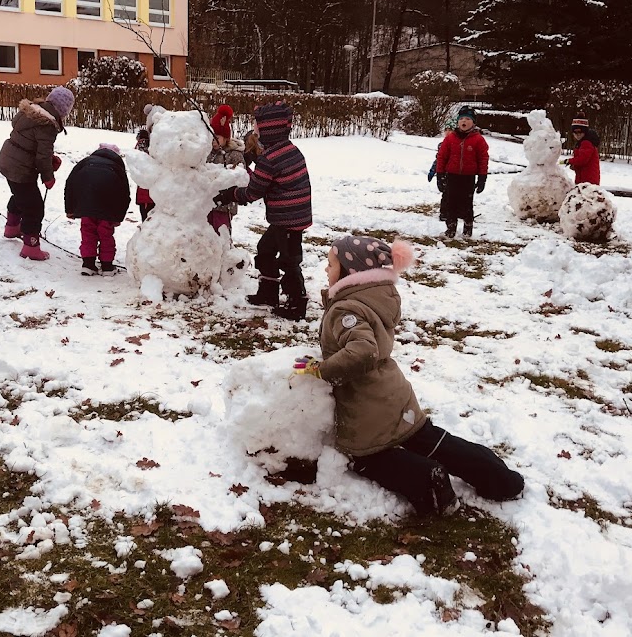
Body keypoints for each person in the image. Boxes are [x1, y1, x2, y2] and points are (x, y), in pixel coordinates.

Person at [292, 234, 524, 515]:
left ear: (352, 271)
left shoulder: (346, 308)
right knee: (427, 439)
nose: (326, 270)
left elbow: (363, 351)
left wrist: (321, 370)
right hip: (394, 391)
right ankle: (497, 476)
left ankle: (426, 482)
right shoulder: (374, 297)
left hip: (365, 403)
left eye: (331, 264)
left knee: (368, 457)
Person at [215, 101, 311, 320]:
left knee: (289, 260)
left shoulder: (270, 159)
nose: (255, 131)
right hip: (291, 216)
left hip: (288, 218)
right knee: (266, 250)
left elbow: (252, 192)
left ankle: (297, 303)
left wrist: (229, 194)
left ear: (269, 129)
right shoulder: (289, 150)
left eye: (258, 126)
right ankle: (268, 293)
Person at [0, 85, 74, 260]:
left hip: (8, 159)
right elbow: (42, 156)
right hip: (20, 166)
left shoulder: (32, 112)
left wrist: (48, 159)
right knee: (34, 207)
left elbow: (33, 145)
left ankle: (12, 227)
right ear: (63, 109)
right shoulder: (47, 124)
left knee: (20, 195)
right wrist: (48, 176)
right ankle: (31, 246)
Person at [64, 143, 131, 276]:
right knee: (106, 234)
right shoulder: (117, 167)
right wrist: (119, 216)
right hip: (108, 206)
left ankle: (88, 264)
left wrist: (70, 209)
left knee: (88, 232)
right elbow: (124, 194)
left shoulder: (85, 163)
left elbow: (70, 184)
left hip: (85, 204)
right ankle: (107, 266)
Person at [435, 105, 489, 238]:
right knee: (451, 202)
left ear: (473, 122)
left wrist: (482, 178)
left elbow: (483, 159)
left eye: (468, 119)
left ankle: (468, 227)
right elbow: (442, 157)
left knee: (467, 203)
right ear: (458, 121)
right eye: (462, 119)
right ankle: (451, 228)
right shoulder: (450, 138)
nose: (464, 121)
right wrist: (440, 174)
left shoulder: (478, 140)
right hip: (452, 176)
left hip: (468, 177)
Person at [207, 105, 246, 235]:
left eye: (216, 138)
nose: (213, 141)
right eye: (211, 138)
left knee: (221, 231)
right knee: (206, 233)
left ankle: (224, 252)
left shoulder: (233, 154)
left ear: (226, 138)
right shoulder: (208, 153)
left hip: (225, 205)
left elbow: (240, 176)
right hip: (207, 203)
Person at [564, 114, 601, 185]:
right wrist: (575, 166)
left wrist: (570, 161)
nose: (577, 134)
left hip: (588, 180)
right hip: (584, 178)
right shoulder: (582, 142)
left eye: (580, 132)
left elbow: (582, 159)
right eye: (575, 132)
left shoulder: (586, 143)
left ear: (585, 132)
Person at [134, 105, 156, 221]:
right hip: (146, 193)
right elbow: (138, 162)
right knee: (147, 220)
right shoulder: (145, 144)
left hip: (160, 193)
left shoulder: (167, 143)